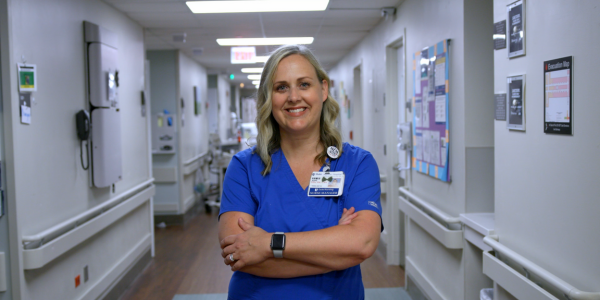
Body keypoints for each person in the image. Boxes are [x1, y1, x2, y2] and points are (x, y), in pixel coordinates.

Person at [218, 44, 382, 300]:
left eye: (304, 84)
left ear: (323, 89)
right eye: (281, 87)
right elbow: (240, 257)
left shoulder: (357, 164)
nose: (294, 97)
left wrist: (269, 244)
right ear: (268, 97)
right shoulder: (244, 168)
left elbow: (362, 243)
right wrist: (335, 252)